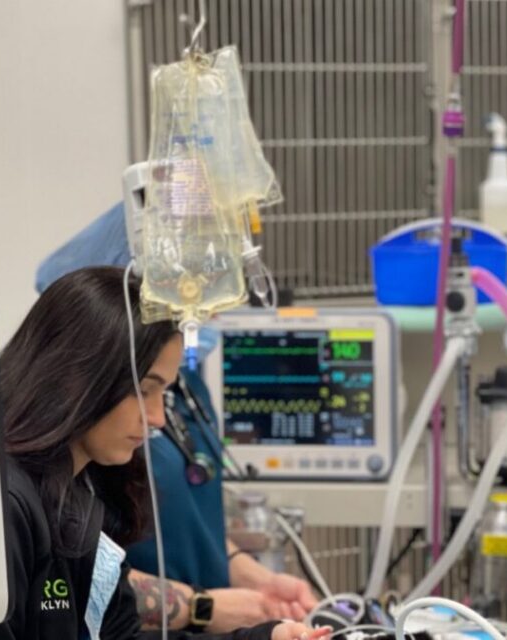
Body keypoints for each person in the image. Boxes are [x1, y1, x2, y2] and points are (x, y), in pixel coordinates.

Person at [0, 267, 323, 640]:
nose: (156, 419)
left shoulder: (77, 501)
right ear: (83, 375)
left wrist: (261, 636)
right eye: (145, 391)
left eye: (164, 395)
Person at [36, 203, 318, 635]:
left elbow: (180, 516)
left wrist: (251, 577)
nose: (155, 417)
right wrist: (201, 608)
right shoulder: (89, 422)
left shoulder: (180, 382)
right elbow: (85, 572)